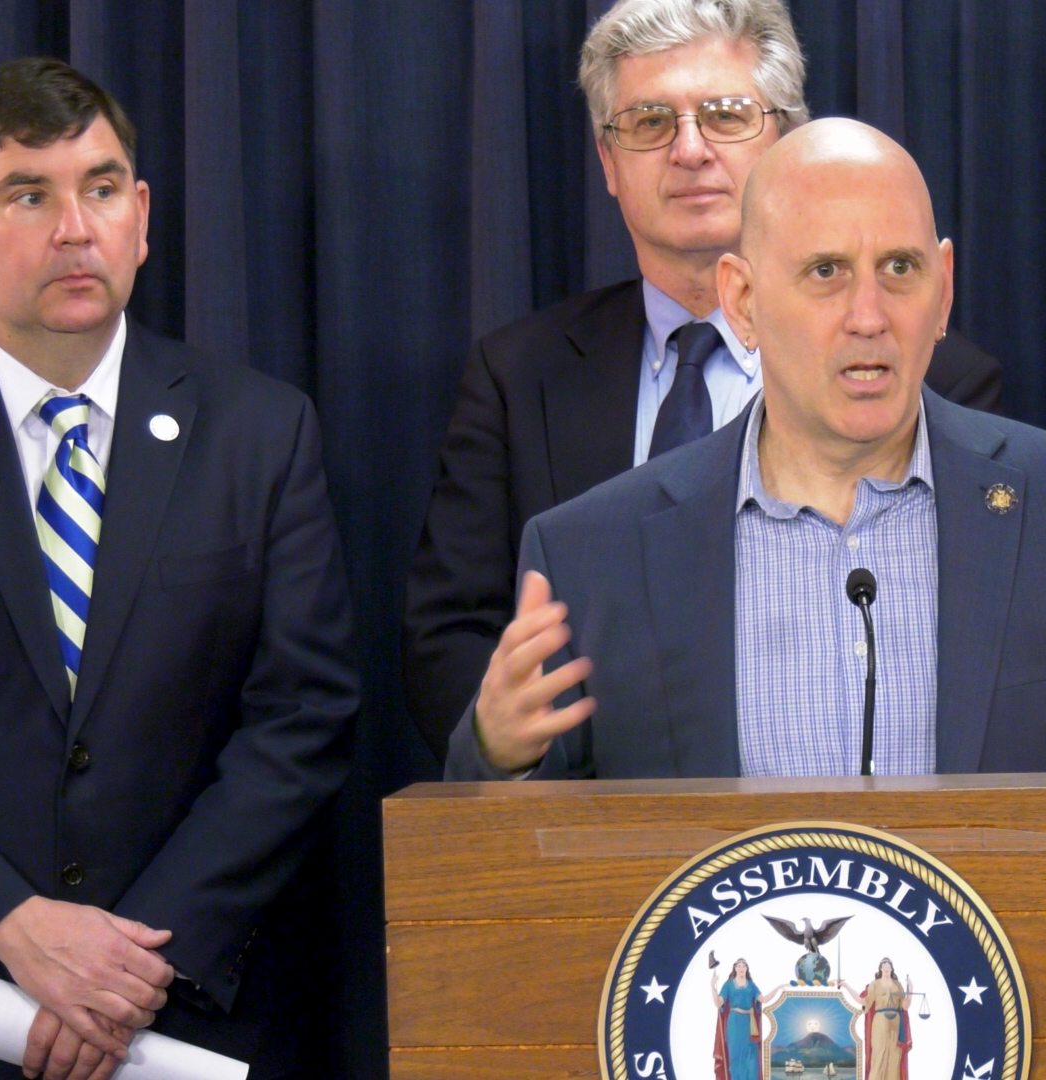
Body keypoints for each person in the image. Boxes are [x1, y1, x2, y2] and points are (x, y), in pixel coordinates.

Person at [444, 118, 1046, 842]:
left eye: (899, 271)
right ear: (743, 301)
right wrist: (497, 752)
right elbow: (517, 861)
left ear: (942, 291)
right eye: (826, 273)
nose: (869, 317)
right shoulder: (594, 548)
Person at [0, 59, 358, 1080]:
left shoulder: (261, 431)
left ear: (141, 214)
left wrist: (125, 968)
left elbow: (302, 718)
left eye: (100, 188)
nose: (73, 228)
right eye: (27, 194)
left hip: (185, 1023)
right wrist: (10, 924)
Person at [402, 0, 1004, 762]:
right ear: (608, 162)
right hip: (603, 839)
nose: (689, 150)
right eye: (651, 123)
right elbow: (451, 642)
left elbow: (976, 649)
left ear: (785, 137)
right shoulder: (518, 375)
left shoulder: (934, 373)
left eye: (724, 116)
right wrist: (520, 759)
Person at [840, 959, 910, 1080]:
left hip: (895, 1023)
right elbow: (863, 1001)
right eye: (884, 965)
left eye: (888, 965)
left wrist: (911, 987)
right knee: (878, 1055)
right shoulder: (874, 984)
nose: (886, 968)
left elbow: (904, 1006)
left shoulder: (897, 985)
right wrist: (846, 986)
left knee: (894, 1057)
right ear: (881, 969)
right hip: (880, 1021)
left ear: (891, 969)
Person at [712, 958, 762, 1080]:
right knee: (735, 1058)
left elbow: (763, 999)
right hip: (734, 1022)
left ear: (747, 969)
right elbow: (718, 1003)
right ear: (735, 968)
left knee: (752, 1060)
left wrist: (779, 988)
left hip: (749, 1024)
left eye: (744, 966)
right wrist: (712, 985)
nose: (741, 968)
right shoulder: (728, 984)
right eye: (739, 966)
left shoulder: (751, 985)